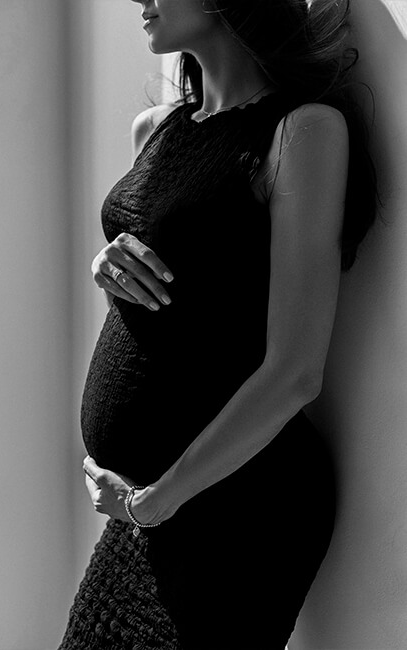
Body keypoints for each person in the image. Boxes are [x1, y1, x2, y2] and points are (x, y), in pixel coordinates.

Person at [58, 0, 378, 648]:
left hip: (241, 507)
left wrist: (154, 502)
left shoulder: (302, 131)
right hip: (151, 509)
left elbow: (295, 372)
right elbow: (181, 310)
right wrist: (107, 265)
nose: (140, 0)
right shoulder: (157, 129)